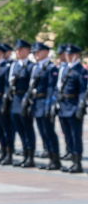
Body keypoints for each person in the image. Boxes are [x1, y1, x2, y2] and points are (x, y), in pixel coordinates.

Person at [29, 42, 61, 170]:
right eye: (35, 52)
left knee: (49, 133)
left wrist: (49, 105)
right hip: (37, 103)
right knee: (42, 132)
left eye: (38, 52)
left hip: (45, 102)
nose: (36, 54)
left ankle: (56, 160)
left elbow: (51, 88)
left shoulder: (50, 67)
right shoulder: (36, 67)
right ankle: (50, 158)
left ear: (46, 52)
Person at [58, 45, 87, 173]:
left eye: (71, 54)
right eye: (67, 54)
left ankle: (77, 163)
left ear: (77, 55)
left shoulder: (81, 71)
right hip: (63, 105)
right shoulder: (64, 69)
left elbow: (83, 91)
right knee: (67, 135)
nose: (68, 56)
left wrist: (81, 106)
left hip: (74, 105)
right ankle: (71, 159)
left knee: (76, 136)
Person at [9, 38, 35, 168]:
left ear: (27, 51)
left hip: (25, 100)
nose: (18, 52)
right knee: (20, 129)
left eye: (21, 49)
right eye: (17, 50)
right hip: (15, 100)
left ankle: (30, 157)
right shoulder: (14, 65)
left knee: (27, 130)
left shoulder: (31, 66)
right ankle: (25, 156)